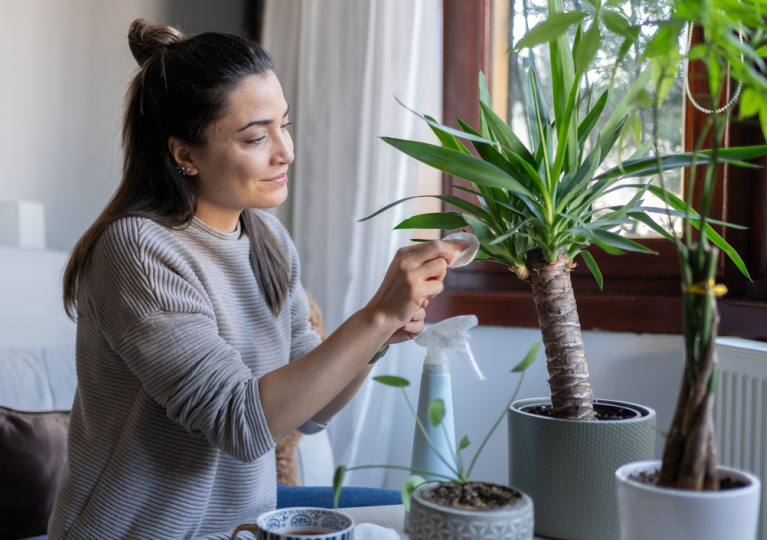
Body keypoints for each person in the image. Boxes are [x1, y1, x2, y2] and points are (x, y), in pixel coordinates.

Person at [48, 19, 466, 540]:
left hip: (243, 528)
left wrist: (380, 335)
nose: (285, 151)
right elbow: (243, 427)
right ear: (184, 155)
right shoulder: (136, 251)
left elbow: (312, 413)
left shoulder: (266, 238)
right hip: (143, 532)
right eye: (255, 137)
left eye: (283, 125)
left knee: (424, 514)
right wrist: (375, 314)